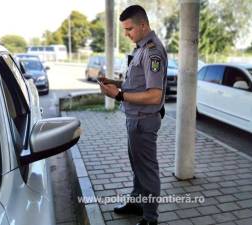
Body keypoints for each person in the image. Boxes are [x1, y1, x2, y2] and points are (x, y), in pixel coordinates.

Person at [98, 5, 167, 225]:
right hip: (135, 119)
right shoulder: (140, 48)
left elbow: (155, 95)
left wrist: (118, 95)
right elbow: (137, 85)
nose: (126, 34)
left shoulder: (152, 51)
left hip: (143, 121)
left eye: (129, 29)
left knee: (147, 170)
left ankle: (150, 218)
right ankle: (137, 202)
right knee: (138, 166)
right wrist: (115, 83)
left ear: (143, 25)